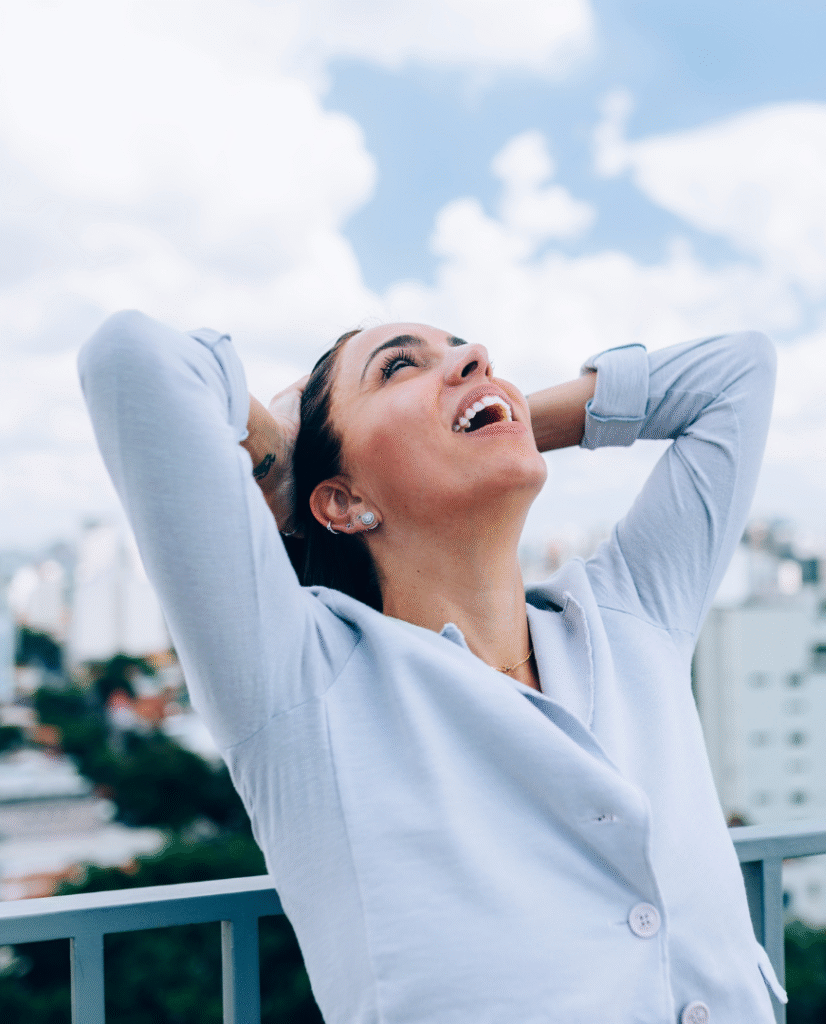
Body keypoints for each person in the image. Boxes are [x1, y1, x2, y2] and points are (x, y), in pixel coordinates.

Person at [79, 310, 785, 1023]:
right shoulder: (305, 684)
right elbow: (130, 360)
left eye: (466, 352)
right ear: (342, 502)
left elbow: (739, 370)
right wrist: (284, 460)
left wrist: (498, 419)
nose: (476, 354)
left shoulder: (631, 614)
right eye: (397, 366)